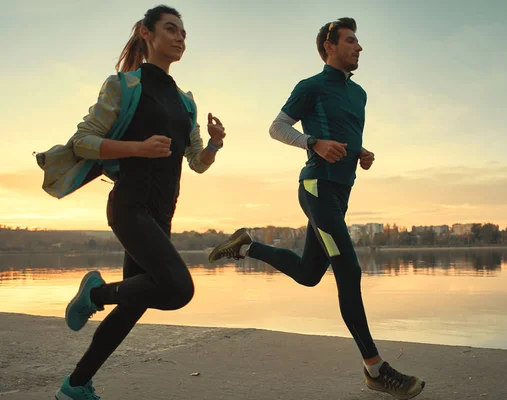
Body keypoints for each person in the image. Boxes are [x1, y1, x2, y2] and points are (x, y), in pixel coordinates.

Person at [208, 17, 425, 398]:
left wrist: (359, 151)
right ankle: (375, 368)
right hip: (316, 188)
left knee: (309, 273)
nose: (359, 48)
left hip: (341, 193)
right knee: (349, 270)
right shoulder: (310, 87)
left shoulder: (359, 94)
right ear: (330, 47)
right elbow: (277, 127)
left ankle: (246, 245)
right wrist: (313, 143)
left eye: (359, 42)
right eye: (351, 41)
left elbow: (345, 133)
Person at [36, 5, 227, 399]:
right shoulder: (125, 86)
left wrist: (214, 144)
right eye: (171, 29)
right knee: (178, 289)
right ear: (147, 33)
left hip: (161, 213)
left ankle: (75, 386)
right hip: (129, 205)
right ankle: (94, 294)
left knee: (132, 306)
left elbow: (196, 164)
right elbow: (82, 141)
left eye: (183, 33)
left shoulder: (184, 102)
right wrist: (137, 148)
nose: (179, 38)